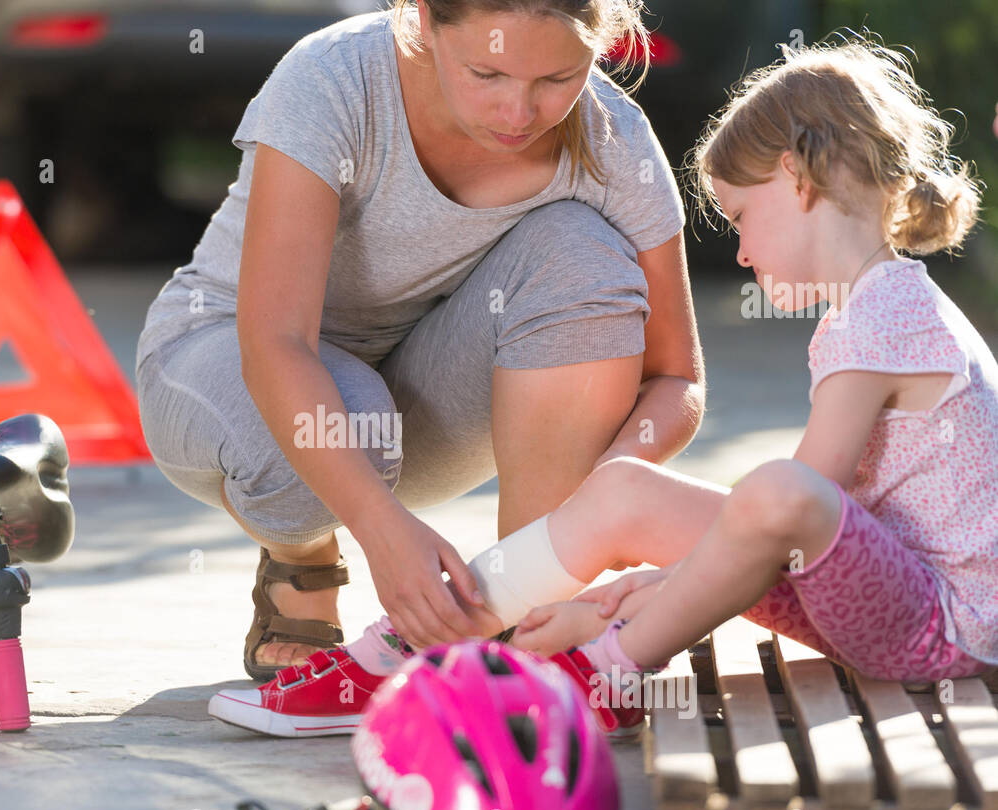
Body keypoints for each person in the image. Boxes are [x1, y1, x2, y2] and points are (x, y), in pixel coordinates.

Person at [211, 36, 998, 737]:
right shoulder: (873, 309)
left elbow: (798, 512)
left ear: (794, 178)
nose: (745, 255)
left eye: (740, 216)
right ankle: (417, 639)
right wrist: (662, 581)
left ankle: (606, 670)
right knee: (625, 490)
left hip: (941, 628)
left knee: (778, 490)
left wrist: (664, 591)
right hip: (887, 592)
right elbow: (805, 535)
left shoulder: (884, 319)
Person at [135, 0, 704, 683]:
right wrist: (381, 532)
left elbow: (678, 378)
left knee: (582, 253)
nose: (518, 113)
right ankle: (305, 560)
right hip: (224, 357)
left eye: (557, 78)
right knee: (350, 419)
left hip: (414, 403)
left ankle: (531, 615)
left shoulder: (616, 142)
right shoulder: (332, 79)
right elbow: (278, 342)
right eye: (486, 73)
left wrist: (606, 490)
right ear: (425, 20)